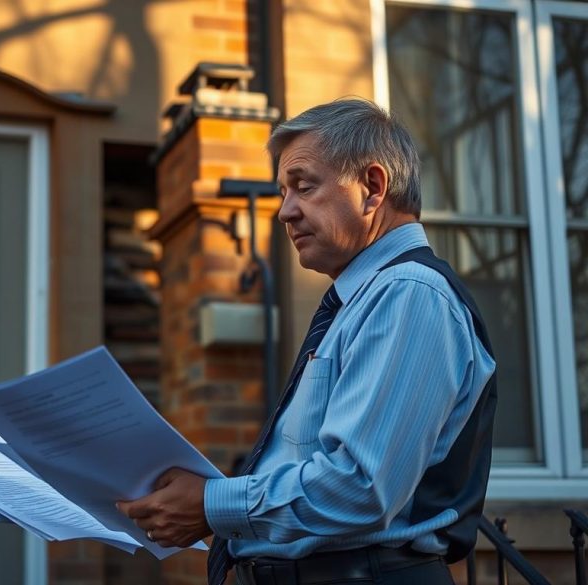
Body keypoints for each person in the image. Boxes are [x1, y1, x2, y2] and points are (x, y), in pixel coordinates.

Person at [116, 98, 497, 585]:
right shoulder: (361, 301)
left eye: (303, 186)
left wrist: (213, 505)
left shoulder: (408, 295)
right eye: (281, 191)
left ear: (372, 188)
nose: (284, 212)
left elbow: (359, 489)